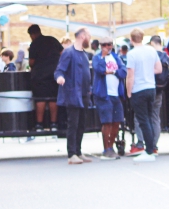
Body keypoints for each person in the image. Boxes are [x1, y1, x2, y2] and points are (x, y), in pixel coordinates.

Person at [54, 27, 94, 164]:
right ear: (82, 36)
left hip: (84, 93)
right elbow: (59, 70)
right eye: (89, 35)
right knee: (73, 123)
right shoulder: (69, 52)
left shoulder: (84, 53)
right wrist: (60, 77)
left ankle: (78, 151)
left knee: (82, 124)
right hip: (73, 93)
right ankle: (72, 154)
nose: (90, 38)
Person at [125, 29, 164, 163]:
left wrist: (128, 92)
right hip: (151, 87)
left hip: (139, 89)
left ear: (131, 39)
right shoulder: (151, 50)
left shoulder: (131, 54)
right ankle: (152, 147)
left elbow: (130, 76)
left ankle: (149, 150)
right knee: (150, 117)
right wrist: (147, 71)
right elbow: (159, 69)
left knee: (143, 120)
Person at [92, 37, 126, 159]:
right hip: (103, 94)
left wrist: (111, 72)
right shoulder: (97, 58)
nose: (107, 47)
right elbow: (99, 69)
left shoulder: (116, 57)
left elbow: (123, 72)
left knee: (117, 121)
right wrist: (103, 57)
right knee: (107, 122)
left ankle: (111, 146)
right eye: (105, 45)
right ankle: (107, 149)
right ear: (101, 46)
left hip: (116, 94)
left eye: (109, 44)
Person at [28, 25, 64, 133]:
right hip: (54, 74)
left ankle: (39, 125)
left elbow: (31, 62)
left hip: (39, 76)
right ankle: (54, 124)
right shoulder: (52, 40)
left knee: (40, 100)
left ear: (32, 34)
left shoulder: (34, 44)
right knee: (53, 99)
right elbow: (63, 54)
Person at [150, 35, 169, 149]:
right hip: (160, 88)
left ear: (152, 43)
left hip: (149, 87)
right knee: (155, 117)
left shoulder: (151, 55)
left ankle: (143, 143)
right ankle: (154, 145)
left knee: (142, 117)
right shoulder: (166, 57)